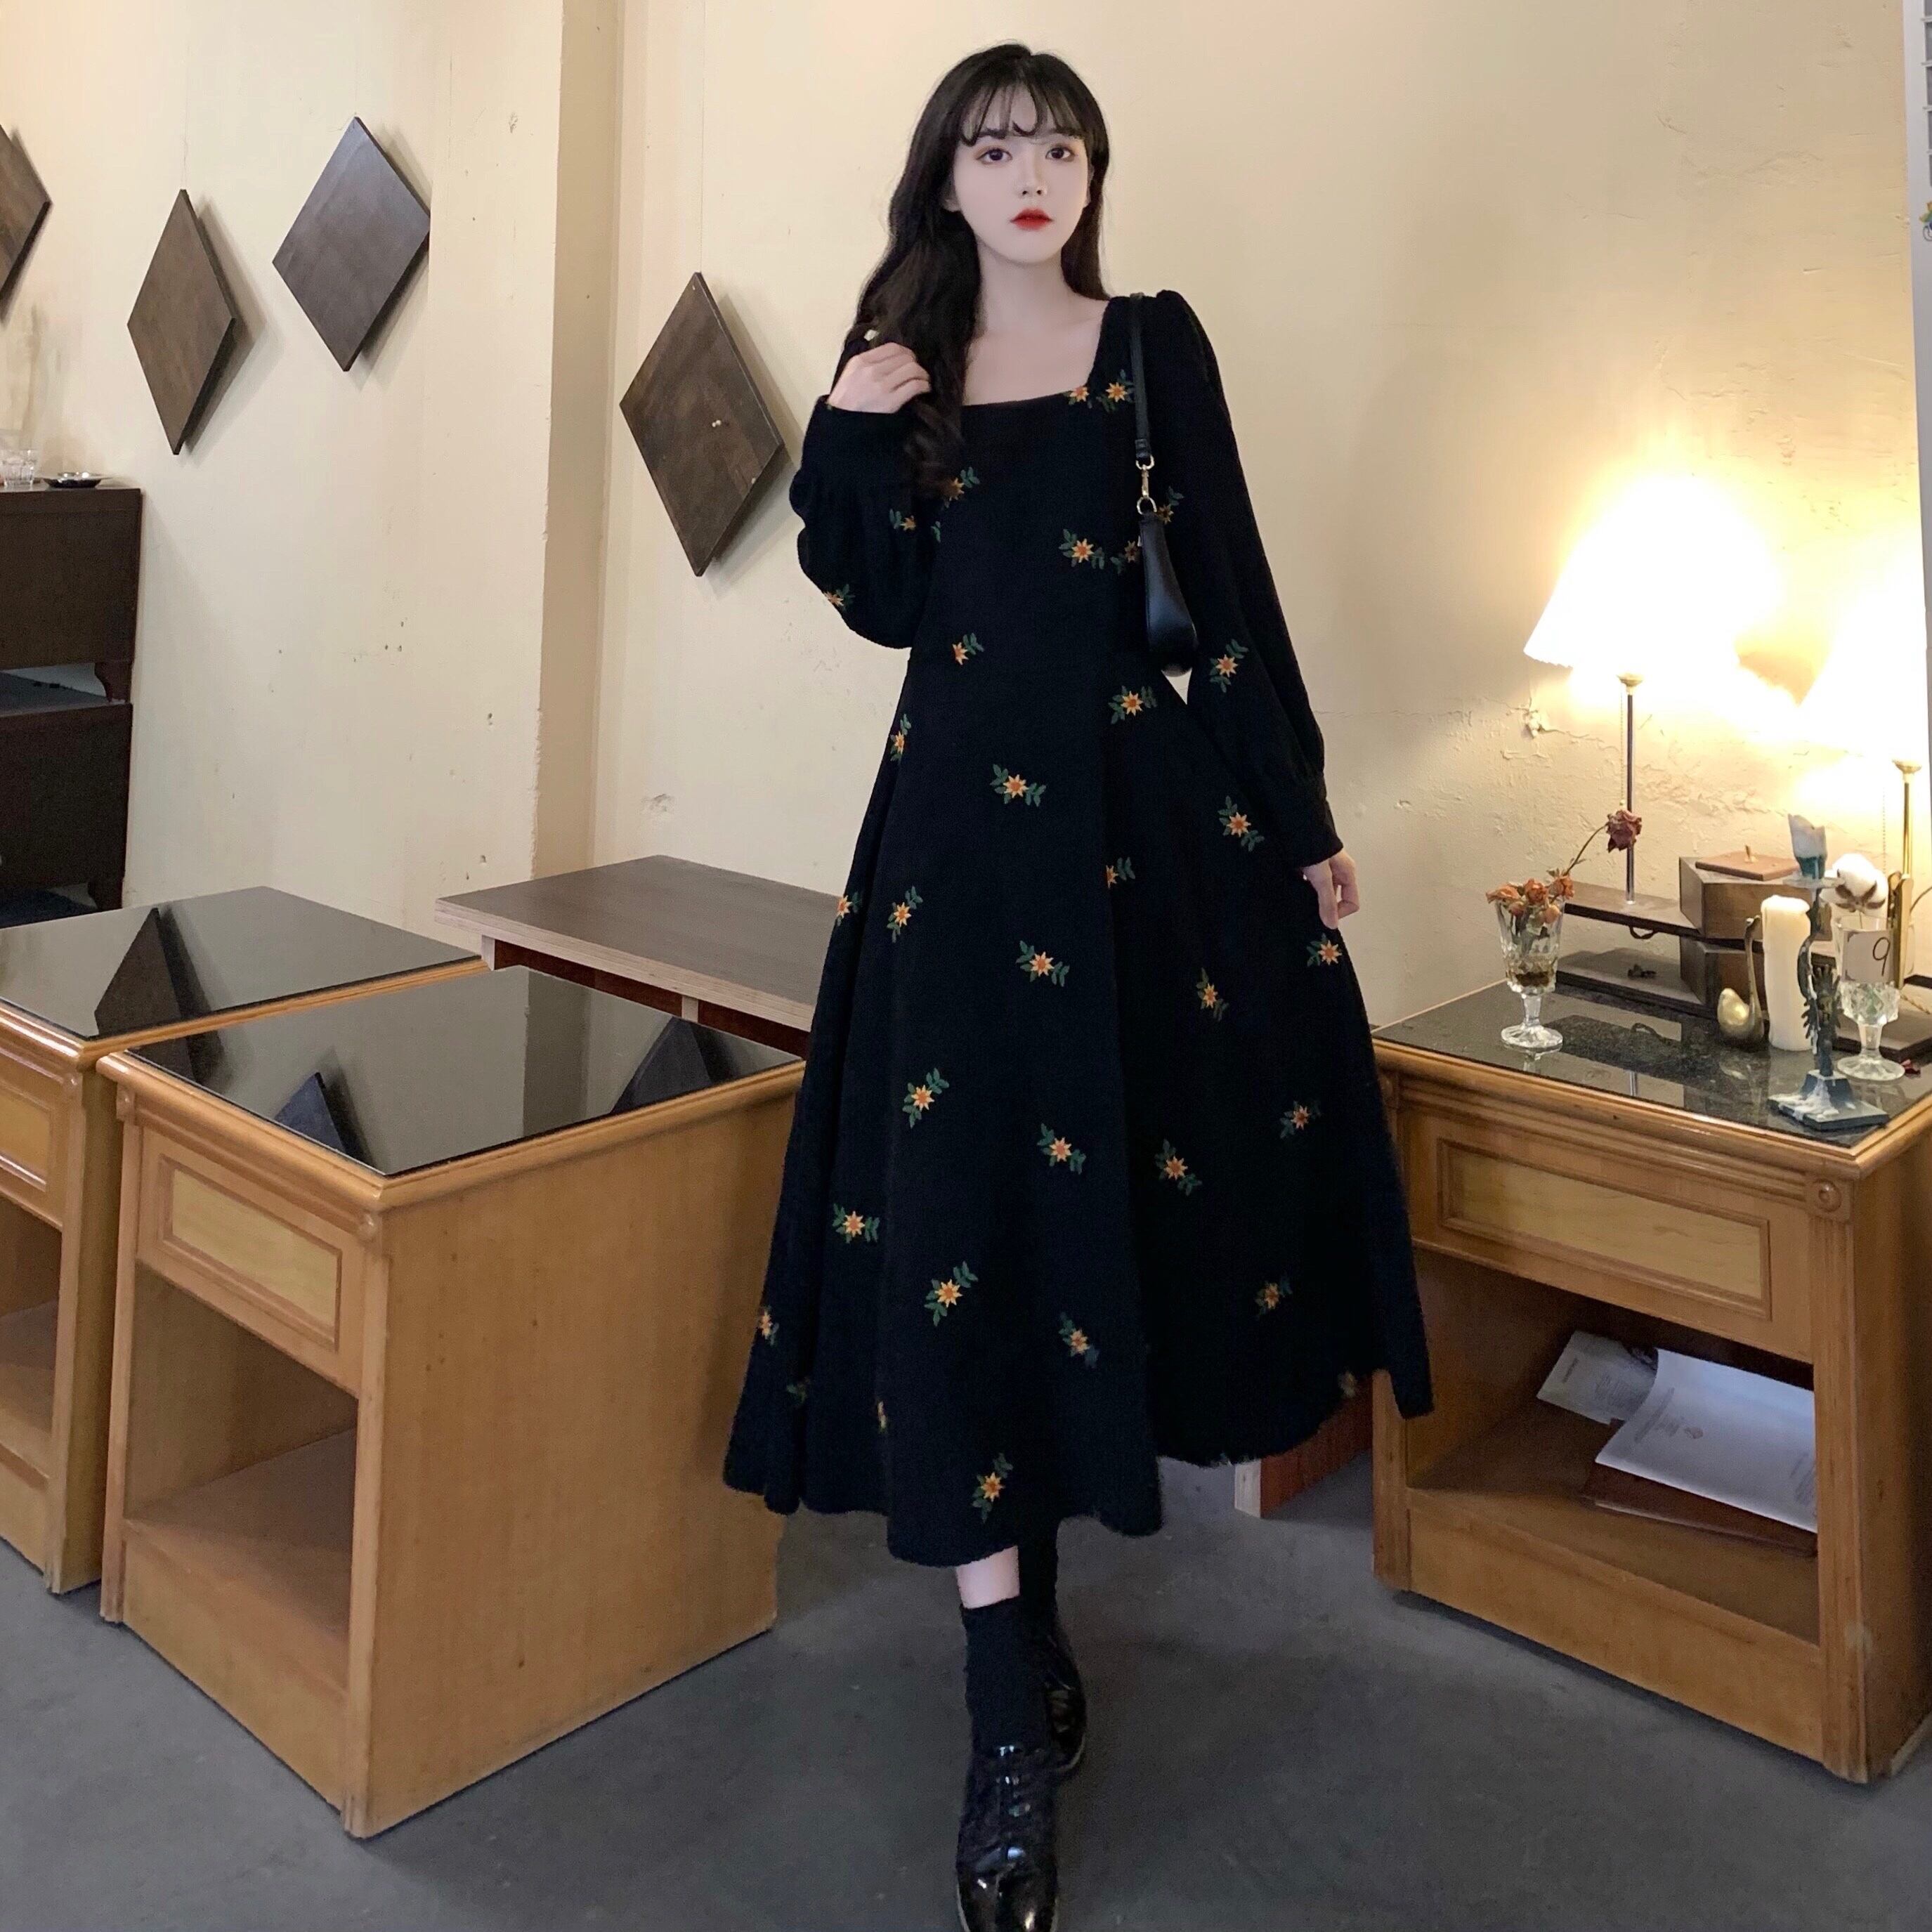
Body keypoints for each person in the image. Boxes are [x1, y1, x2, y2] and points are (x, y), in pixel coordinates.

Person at [722, 40, 1432, 1932]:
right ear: (944, 183)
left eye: (1057, 145)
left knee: (1097, 1218)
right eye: (992, 148)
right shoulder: (900, 366)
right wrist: (844, 429)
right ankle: (1002, 1706)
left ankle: (1028, 1643)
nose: (1029, 172)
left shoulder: (1151, 347)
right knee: (962, 1230)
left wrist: (1301, 817)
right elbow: (883, 600)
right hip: (951, 853)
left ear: (1093, 175)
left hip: (1132, 838)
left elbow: (1233, 590)